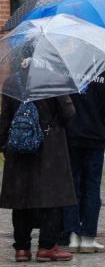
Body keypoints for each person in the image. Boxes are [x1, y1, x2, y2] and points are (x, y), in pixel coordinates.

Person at [0, 95, 77, 262]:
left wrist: (4, 145)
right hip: (49, 147)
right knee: (52, 196)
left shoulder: (14, 82)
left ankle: (21, 248)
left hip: (19, 146)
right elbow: (69, 112)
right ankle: (47, 246)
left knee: (21, 199)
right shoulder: (52, 81)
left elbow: (4, 118)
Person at [62, 68, 105, 254]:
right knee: (92, 186)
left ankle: (73, 235)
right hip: (95, 133)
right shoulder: (104, 65)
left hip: (71, 133)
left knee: (72, 186)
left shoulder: (67, 62)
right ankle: (88, 238)